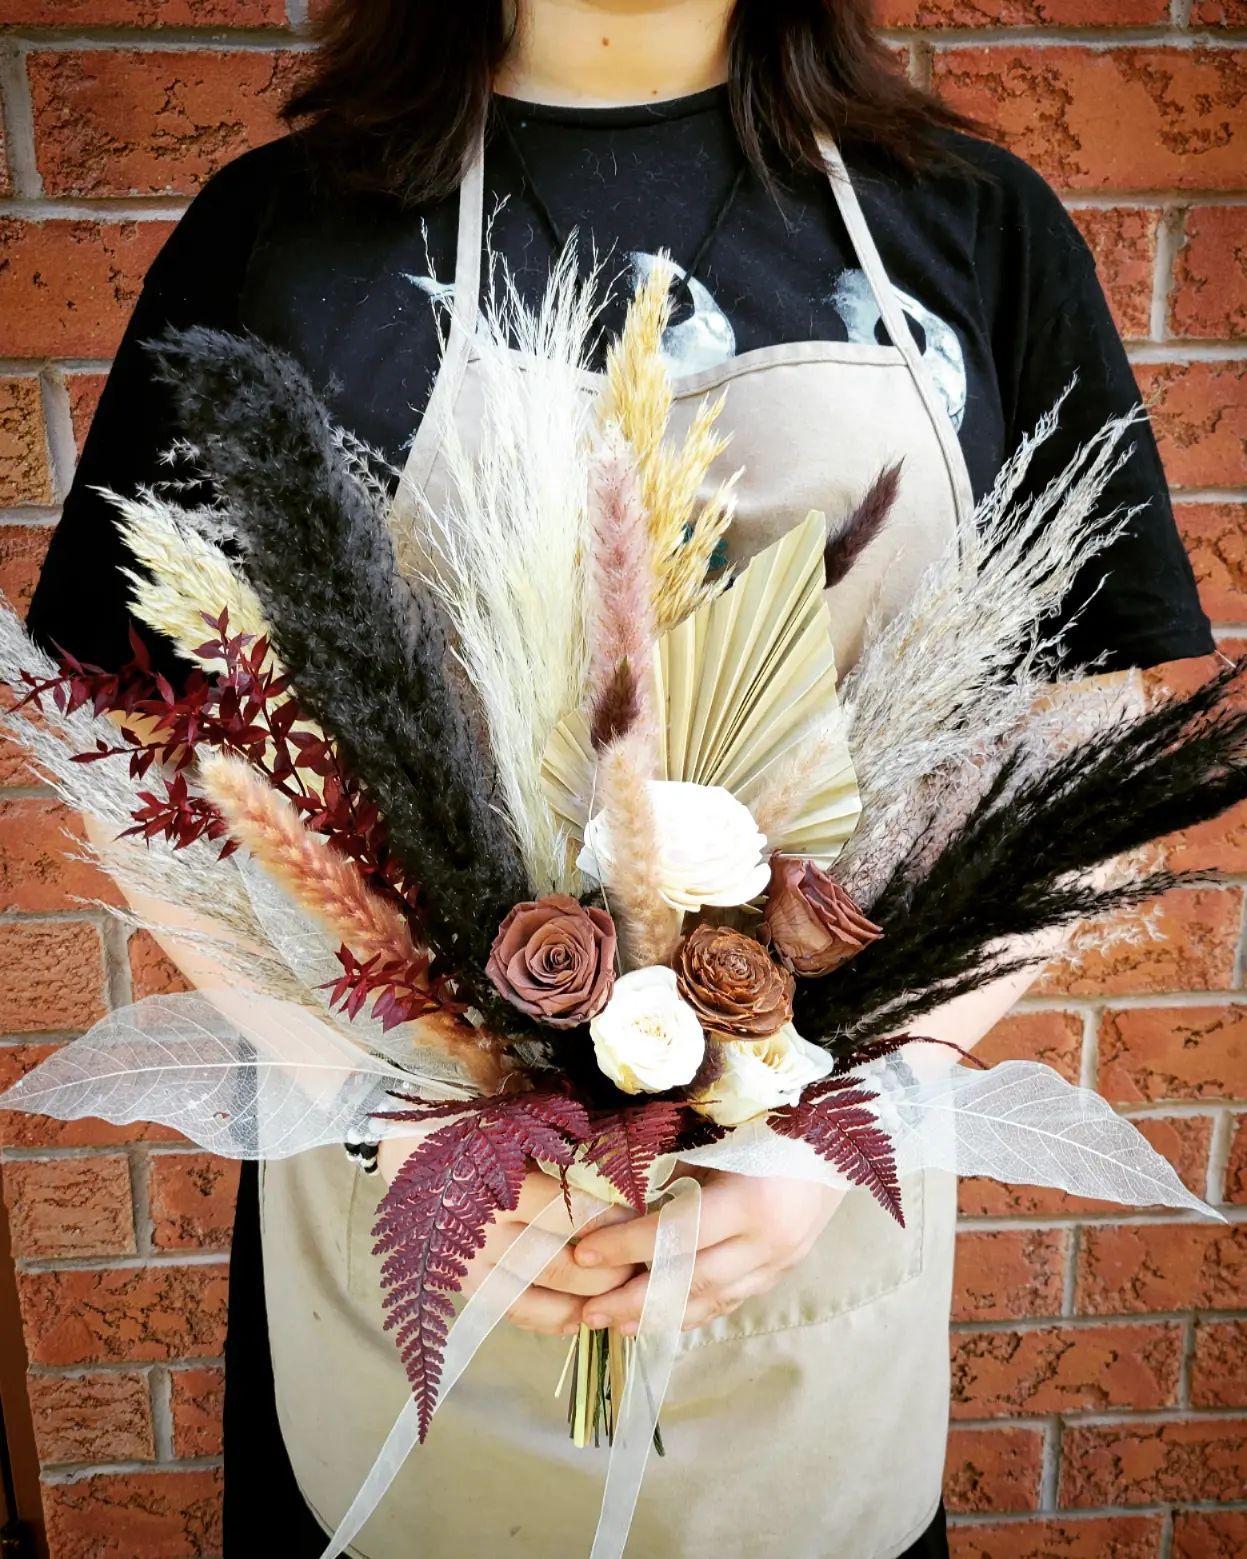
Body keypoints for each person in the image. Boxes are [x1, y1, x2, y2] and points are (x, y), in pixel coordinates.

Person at [25, 1, 1213, 1555]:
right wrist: (409, 1118)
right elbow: (139, 750)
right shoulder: (283, 235)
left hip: (813, 1286)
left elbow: (1090, 766)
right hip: (413, 1279)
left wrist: (841, 1119)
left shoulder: (973, 227)